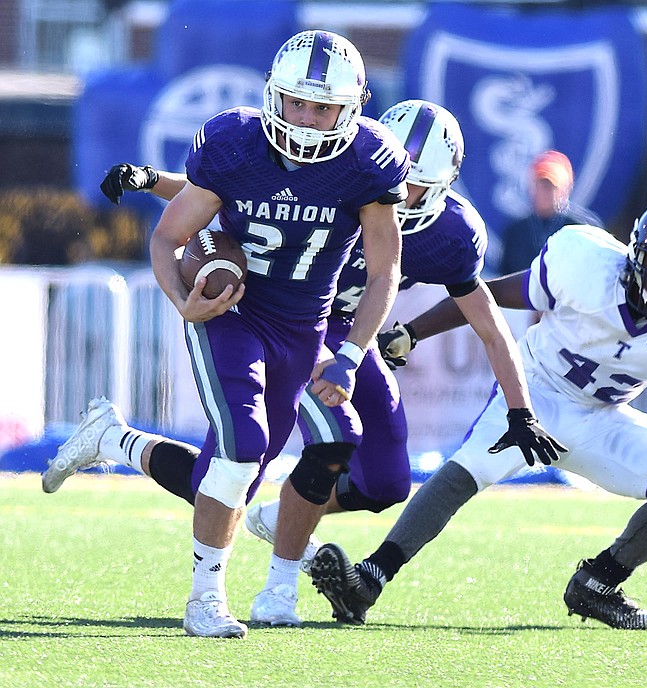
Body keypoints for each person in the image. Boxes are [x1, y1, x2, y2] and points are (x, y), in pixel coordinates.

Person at [94, 99, 566, 627]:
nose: (401, 193)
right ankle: (274, 582)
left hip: (348, 333)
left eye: (415, 185)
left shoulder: (449, 231)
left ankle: (273, 512)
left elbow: (489, 324)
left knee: (385, 482)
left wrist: (521, 411)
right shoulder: (344, 167)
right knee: (257, 461)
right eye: (397, 179)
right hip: (286, 316)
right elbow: (230, 192)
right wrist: (150, 179)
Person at [42, 29, 411, 639]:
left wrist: (350, 354)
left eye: (325, 107)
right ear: (275, 96)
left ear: (353, 107)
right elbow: (167, 236)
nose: (310, 118)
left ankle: (114, 440)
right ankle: (206, 599)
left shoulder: (370, 161)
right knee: (243, 444)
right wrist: (182, 301)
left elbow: (385, 270)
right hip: (231, 312)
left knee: (236, 471)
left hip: (304, 326)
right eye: (299, 102)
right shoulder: (234, 142)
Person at [309, 195, 647, 631]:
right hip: (534, 393)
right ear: (636, 250)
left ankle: (598, 584)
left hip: (604, 417)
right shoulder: (586, 263)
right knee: (474, 465)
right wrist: (413, 331)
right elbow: (487, 295)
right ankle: (369, 578)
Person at [499, 149, 603, 274]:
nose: (544, 192)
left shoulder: (583, 229)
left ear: (565, 189)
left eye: (551, 186)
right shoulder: (515, 232)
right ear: (531, 187)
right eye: (540, 185)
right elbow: (503, 276)